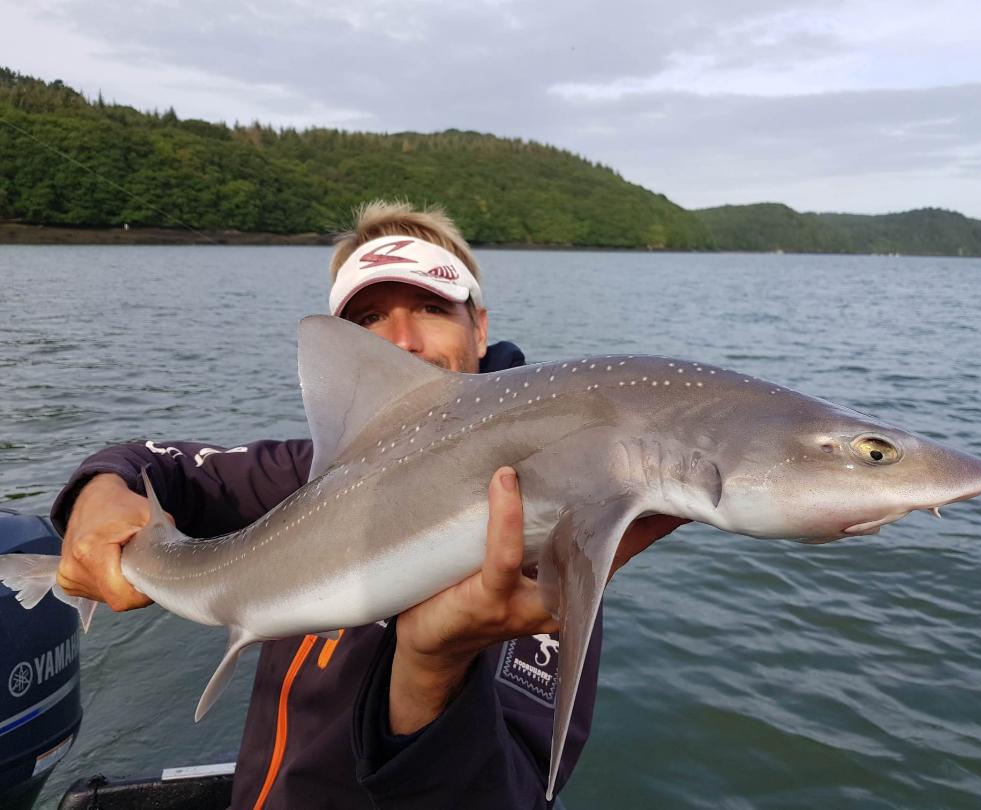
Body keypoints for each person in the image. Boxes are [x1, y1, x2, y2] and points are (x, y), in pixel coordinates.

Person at [50, 200, 685, 809]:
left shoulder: (554, 536)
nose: (400, 342)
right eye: (368, 320)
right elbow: (153, 461)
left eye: (431, 307)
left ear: (481, 327)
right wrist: (101, 490)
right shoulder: (303, 475)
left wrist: (436, 665)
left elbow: (513, 792)